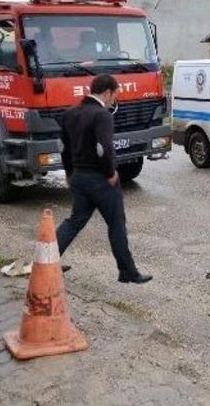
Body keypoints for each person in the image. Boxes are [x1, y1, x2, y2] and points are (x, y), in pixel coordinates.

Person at [55, 75, 151, 284]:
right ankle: (127, 272)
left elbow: (63, 147)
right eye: (114, 95)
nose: (114, 100)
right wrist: (110, 173)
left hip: (79, 177)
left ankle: (48, 260)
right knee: (116, 224)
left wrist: (69, 173)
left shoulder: (71, 113)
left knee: (74, 221)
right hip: (100, 180)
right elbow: (104, 148)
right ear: (107, 92)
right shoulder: (102, 115)